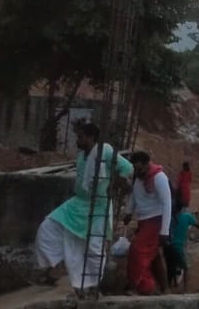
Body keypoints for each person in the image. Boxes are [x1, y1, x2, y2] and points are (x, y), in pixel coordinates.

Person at [34, 122, 133, 297]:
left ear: (91, 137)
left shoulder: (106, 152)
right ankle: (55, 267)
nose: (77, 140)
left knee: (94, 248)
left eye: (81, 137)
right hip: (78, 203)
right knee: (47, 227)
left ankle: (92, 286)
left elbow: (127, 167)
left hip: (98, 205)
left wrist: (115, 183)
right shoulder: (81, 157)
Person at [123, 151, 172, 295]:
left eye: (140, 169)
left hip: (155, 221)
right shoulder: (139, 178)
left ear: (147, 165)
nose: (137, 172)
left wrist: (165, 231)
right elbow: (134, 194)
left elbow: (167, 203)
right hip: (143, 221)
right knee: (155, 256)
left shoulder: (159, 177)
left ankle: (135, 285)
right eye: (135, 169)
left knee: (136, 249)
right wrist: (128, 211)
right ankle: (165, 289)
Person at [163, 205, 199, 290]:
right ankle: (185, 289)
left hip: (167, 245)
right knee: (185, 268)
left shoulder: (169, 217)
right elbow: (197, 225)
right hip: (178, 245)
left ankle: (168, 286)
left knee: (170, 265)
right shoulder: (187, 216)